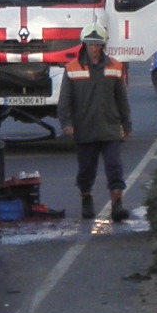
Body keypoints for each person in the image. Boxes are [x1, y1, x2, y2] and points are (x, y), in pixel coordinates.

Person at [59, 27, 133, 225]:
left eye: (98, 44)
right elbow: (65, 101)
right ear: (85, 44)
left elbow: (122, 99)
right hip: (85, 129)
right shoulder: (72, 68)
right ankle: (86, 198)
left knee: (115, 167)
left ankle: (117, 205)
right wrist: (67, 124)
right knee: (86, 170)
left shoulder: (115, 67)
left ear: (103, 45)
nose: (95, 48)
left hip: (110, 128)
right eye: (91, 44)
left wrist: (127, 124)